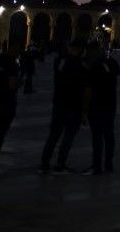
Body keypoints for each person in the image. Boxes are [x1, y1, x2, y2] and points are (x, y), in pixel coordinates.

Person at [39, 41, 86, 175]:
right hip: (73, 105)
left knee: (53, 135)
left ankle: (44, 163)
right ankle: (60, 164)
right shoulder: (80, 64)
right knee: (68, 137)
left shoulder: (59, 61)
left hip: (59, 104)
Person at [82, 43, 120, 175]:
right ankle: (108, 164)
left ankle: (96, 165)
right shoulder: (112, 62)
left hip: (97, 106)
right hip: (111, 105)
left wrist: (85, 110)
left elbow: (88, 89)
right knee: (109, 135)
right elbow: (117, 73)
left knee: (97, 137)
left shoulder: (93, 67)